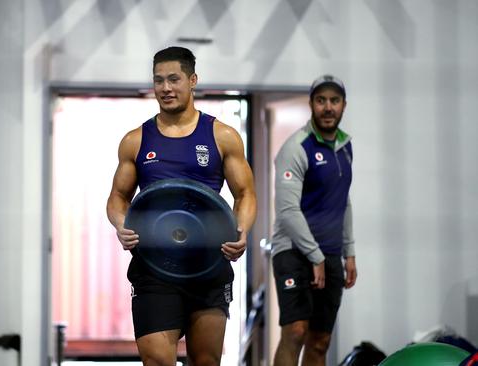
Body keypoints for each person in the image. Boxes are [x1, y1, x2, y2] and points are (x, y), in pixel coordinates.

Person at [106, 46, 257, 365]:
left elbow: (245, 193)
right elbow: (118, 198)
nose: (165, 88)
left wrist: (240, 231)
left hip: (208, 265)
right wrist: (121, 225)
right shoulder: (136, 140)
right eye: (158, 80)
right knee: (158, 361)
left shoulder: (222, 136)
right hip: (154, 268)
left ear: (192, 81)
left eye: (174, 79)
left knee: (206, 361)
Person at [271, 74, 358, 366]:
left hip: (331, 254)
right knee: (296, 332)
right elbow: (287, 210)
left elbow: (342, 201)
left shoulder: (345, 147)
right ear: (311, 104)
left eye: (334, 101)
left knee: (320, 341)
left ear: (344, 105)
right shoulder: (296, 146)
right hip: (293, 252)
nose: (328, 107)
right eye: (321, 100)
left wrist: (350, 252)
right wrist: (314, 255)